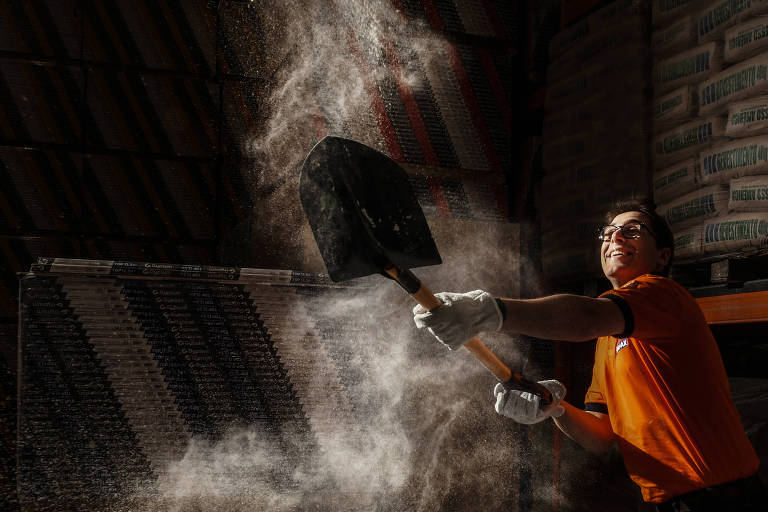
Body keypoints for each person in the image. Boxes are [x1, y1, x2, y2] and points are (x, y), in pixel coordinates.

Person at [412, 202, 765, 511]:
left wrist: (490, 312)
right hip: (665, 502)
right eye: (609, 233)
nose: (616, 238)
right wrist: (555, 408)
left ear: (663, 256)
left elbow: (586, 317)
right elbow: (601, 435)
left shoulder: (664, 296)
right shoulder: (607, 341)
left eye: (632, 230)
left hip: (723, 497)